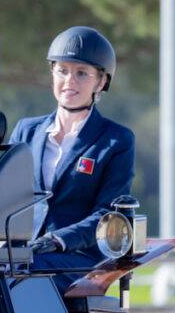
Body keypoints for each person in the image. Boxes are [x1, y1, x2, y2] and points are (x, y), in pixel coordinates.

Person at [8, 26, 135, 294]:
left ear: (101, 82)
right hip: (22, 252)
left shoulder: (116, 140)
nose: (69, 81)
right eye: (62, 70)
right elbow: (5, 195)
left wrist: (58, 239)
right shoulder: (26, 131)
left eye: (81, 73)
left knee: (24, 271)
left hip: (78, 259)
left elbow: (107, 214)